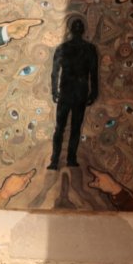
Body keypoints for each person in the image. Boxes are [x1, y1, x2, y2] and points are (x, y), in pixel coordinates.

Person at [48, 17, 100, 170]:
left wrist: (54, 90)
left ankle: (55, 160)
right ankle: (69, 159)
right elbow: (93, 73)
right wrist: (94, 92)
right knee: (74, 127)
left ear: (71, 30)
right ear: (82, 31)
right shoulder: (89, 49)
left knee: (60, 128)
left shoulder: (63, 48)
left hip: (67, 92)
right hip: (79, 93)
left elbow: (55, 72)